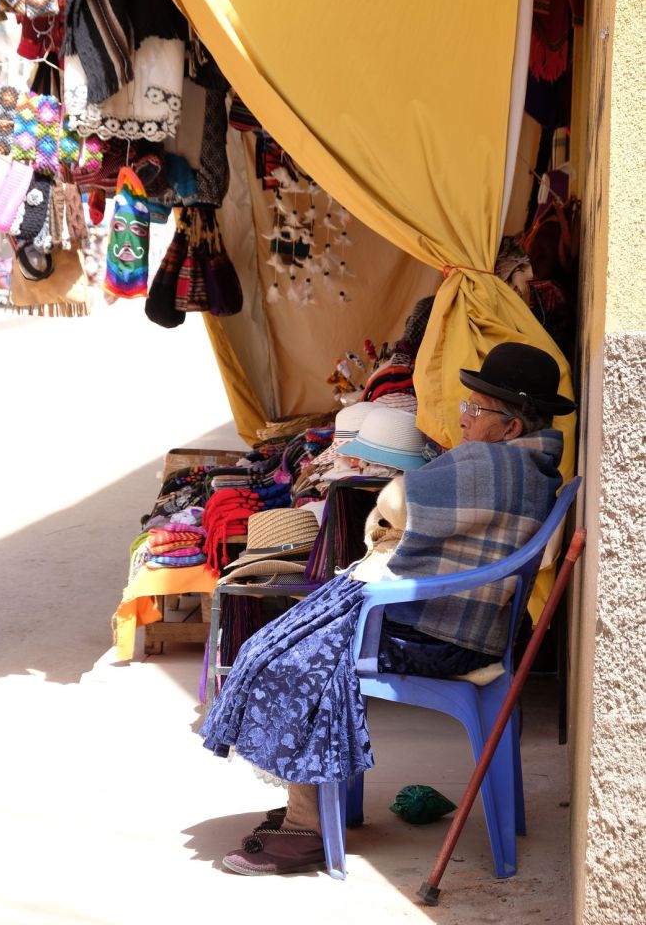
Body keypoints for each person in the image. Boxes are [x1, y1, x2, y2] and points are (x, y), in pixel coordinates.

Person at [200, 342, 576, 876]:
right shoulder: (531, 465)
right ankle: (317, 805)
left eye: (474, 409)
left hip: (441, 637)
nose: (463, 419)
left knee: (293, 657)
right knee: (288, 639)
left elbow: (394, 502)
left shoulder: (492, 461)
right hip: (461, 627)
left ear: (510, 426)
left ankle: (307, 825)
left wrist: (389, 522)